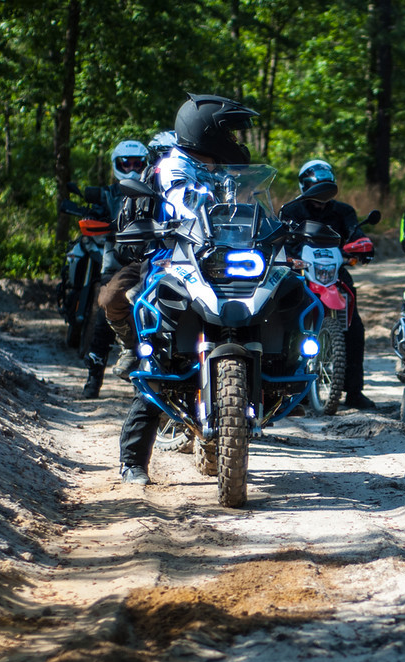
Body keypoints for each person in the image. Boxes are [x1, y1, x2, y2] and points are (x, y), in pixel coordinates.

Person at [115, 93, 259, 485]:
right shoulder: (176, 167)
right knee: (162, 362)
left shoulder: (219, 170)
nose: (235, 141)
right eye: (229, 133)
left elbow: (245, 212)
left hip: (219, 263)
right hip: (175, 262)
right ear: (207, 131)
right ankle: (133, 461)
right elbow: (191, 210)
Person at [279, 160, 376, 410]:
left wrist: (363, 246)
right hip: (300, 271)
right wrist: (288, 257)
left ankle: (354, 391)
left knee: (354, 327)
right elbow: (281, 239)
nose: (322, 197)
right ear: (305, 186)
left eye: (326, 188)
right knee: (284, 322)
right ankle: (286, 392)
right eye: (316, 188)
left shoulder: (343, 211)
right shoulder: (291, 211)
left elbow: (355, 233)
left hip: (334, 271)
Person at [79, 138, 149, 398]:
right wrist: (95, 216)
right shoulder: (109, 193)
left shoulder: (155, 188)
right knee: (103, 312)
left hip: (149, 258)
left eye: (137, 163)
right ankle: (93, 378)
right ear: (117, 164)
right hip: (116, 260)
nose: (132, 168)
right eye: (126, 163)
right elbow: (96, 209)